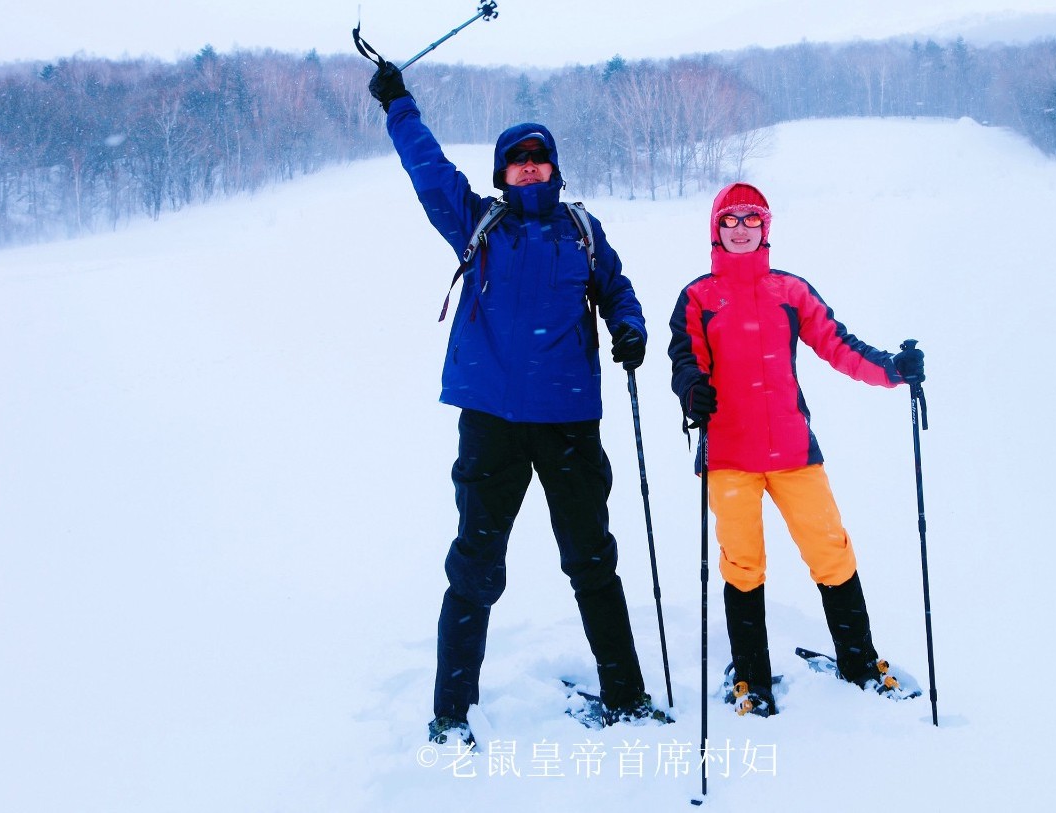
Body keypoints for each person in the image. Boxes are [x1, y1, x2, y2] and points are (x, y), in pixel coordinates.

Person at [368, 62, 662, 743]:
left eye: (539, 158)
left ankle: (626, 694)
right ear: (502, 174)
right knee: (474, 565)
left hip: (567, 421)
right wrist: (399, 104)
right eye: (517, 160)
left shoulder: (582, 232)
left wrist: (631, 327)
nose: (529, 168)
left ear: (554, 169)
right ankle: (449, 714)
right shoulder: (478, 224)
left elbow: (617, 290)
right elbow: (427, 168)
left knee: (592, 558)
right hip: (493, 423)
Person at [667, 182, 926, 717]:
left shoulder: (790, 291)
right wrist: (693, 390)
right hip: (729, 455)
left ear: (766, 228)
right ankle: (751, 679)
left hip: (792, 451)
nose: (741, 228)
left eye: (752, 219)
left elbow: (838, 344)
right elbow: (684, 361)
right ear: (716, 229)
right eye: (730, 220)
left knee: (831, 552)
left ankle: (859, 663)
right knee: (743, 565)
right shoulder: (697, 296)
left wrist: (893, 370)